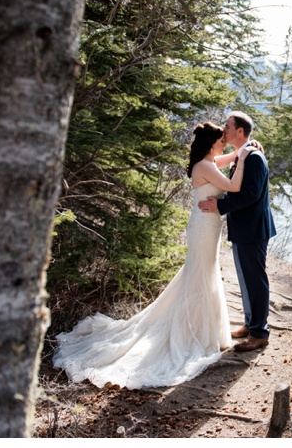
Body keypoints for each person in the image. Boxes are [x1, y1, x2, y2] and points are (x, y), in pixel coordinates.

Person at [53, 122, 256, 389]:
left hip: (208, 226)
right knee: (199, 275)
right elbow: (232, 186)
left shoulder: (208, 160)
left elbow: (226, 157)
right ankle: (192, 333)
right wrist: (244, 158)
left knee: (201, 274)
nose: (224, 143)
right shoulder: (206, 166)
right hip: (204, 228)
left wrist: (244, 150)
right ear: (211, 144)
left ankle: (202, 330)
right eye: (220, 140)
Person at [199, 111, 276, 352]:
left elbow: (250, 195)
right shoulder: (244, 154)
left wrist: (220, 206)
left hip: (253, 228)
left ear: (240, 131)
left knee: (255, 279)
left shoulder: (253, 158)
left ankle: (260, 333)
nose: (224, 130)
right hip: (244, 227)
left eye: (228, 126)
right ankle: (251, 324)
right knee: (245, 278)